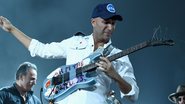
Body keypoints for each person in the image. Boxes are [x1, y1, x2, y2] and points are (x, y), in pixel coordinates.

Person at [0, 3, 139, 104]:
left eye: (113, 23)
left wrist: (115, 75)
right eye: (106, 22)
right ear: (93, 22)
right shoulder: (75, 42)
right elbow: (41, 49)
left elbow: (133, 96)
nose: (110, 27)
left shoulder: (119, 55)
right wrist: (12, 29)